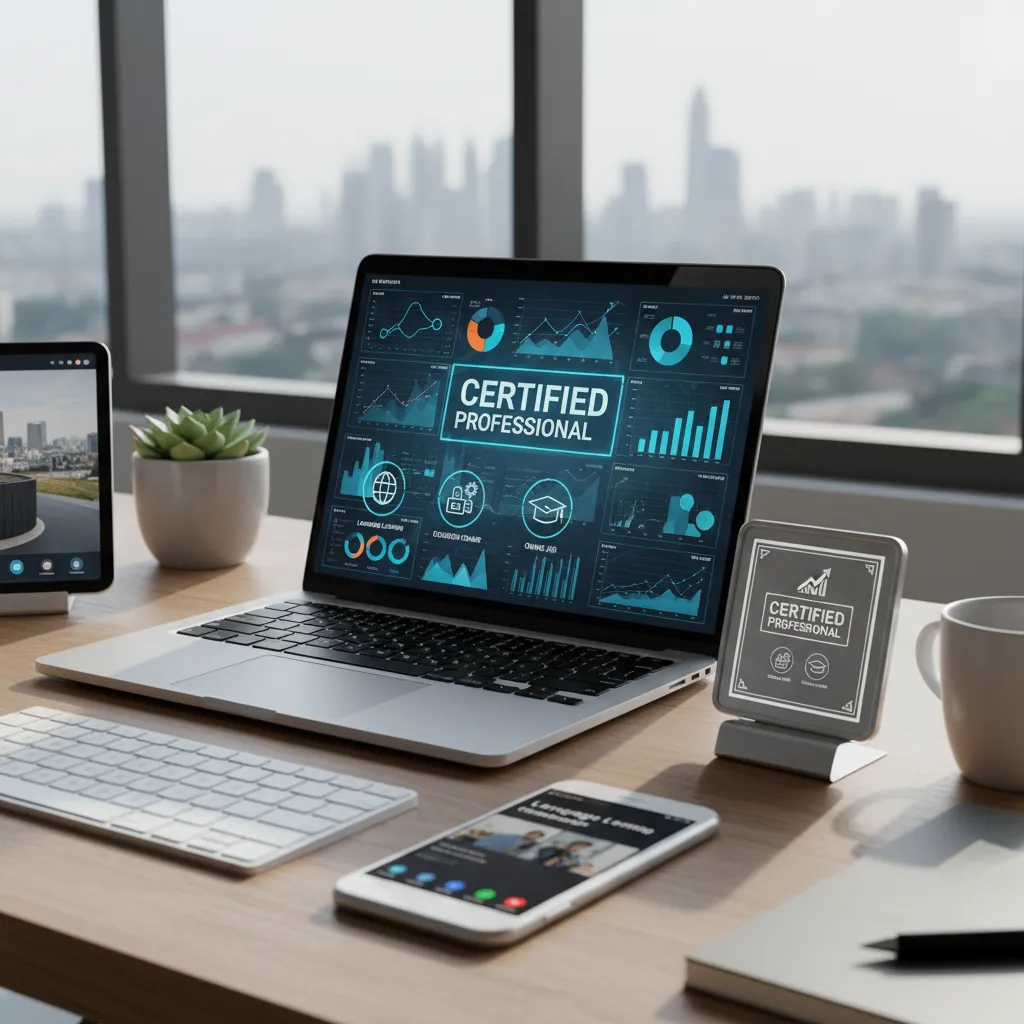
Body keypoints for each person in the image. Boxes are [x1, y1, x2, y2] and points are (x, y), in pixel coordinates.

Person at [474, 828, 548, 855]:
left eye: (537, 837)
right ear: (529, 833)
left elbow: (518, 852)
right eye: (534, 835)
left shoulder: (532, 844)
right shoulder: (513, 836)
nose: (534, 837)